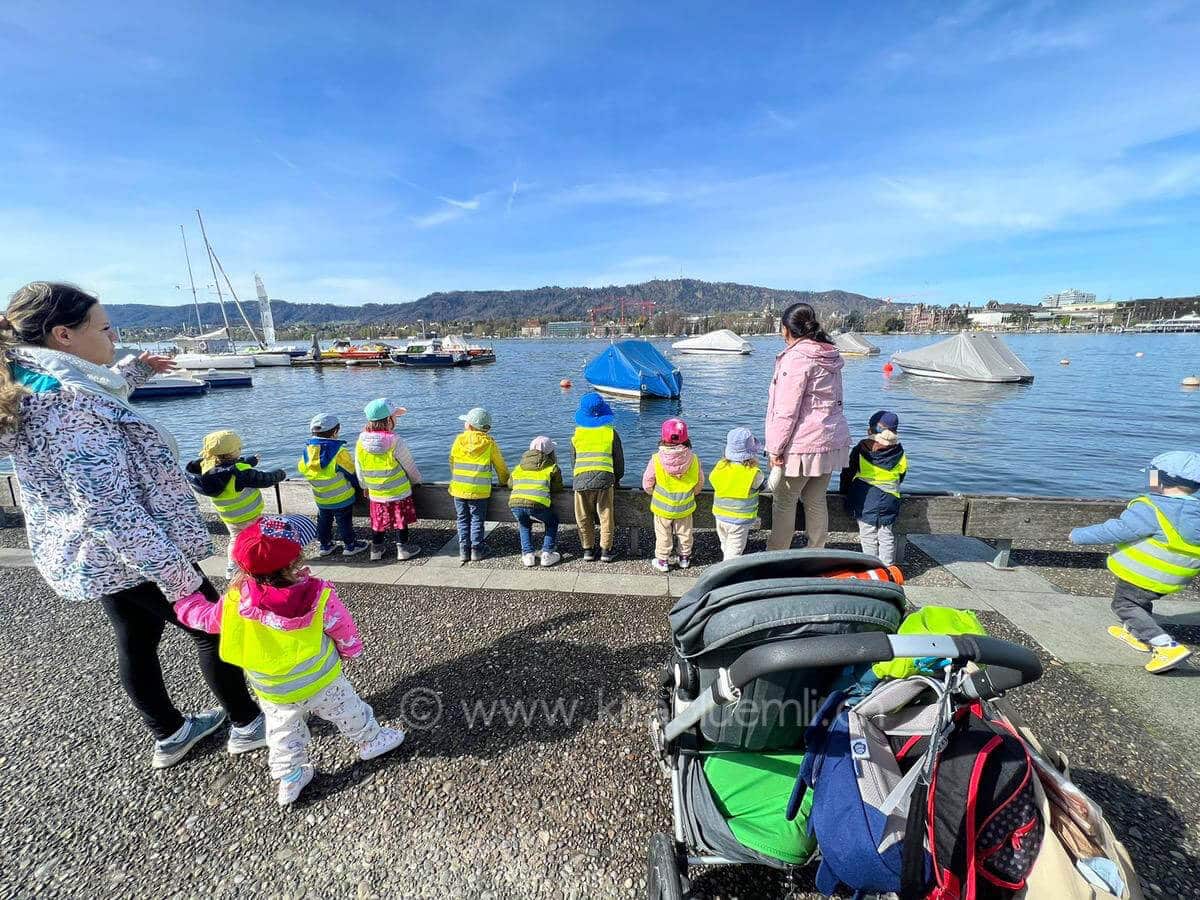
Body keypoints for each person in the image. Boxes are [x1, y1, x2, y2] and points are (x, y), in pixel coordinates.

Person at [0, 282, 264, 768]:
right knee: (216, 630)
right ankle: (249, 724)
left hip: (89, 553)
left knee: (136, 637)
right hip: (135, 550)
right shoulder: (66, 405)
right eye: (103, 328)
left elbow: (96, 392)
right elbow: (110, 510)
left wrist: (135, 370)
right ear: (64, 335)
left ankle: (170, 733)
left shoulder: (31, 380)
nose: (113, 336)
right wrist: (177, 577)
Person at [177, 515, 406, 805]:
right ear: (295, 559)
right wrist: (351, 650)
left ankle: (290, 777)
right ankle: (371, 740)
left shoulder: (237, 600)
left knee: (283, 732)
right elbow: (341, 626)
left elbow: (207, 620)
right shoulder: (318, 594)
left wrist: (186, 604)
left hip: (273, 688)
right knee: (348, 709)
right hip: (320, 677)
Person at [1070, 451, 1200, 674]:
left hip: (1145, 573)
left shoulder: (1151, 507)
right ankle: (1136, 633)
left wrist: (1078, 536)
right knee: (1139, 601)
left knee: (1125, 605)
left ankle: (1165, 646)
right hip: (1177, 576)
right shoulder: (1195, 511)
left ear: (1158, 479)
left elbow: (1117, 530)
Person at [764, 302, 851, 551]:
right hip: (830, 438)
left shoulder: (796, 359)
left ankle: (776, 556)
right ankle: (817, 553)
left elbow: (785, 410)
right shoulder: (829, 355)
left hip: (803, 443)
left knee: (784, 499)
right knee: (815, 498)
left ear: (785, 329)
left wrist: (775, 448)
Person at [185, 430, 287, 577]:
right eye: (238, 449)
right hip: (249, 513)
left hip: (229, 516)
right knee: (256, 538)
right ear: (229, 453)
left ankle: (232, 568)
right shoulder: (240, 472)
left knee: (235, 538)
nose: (240, 450)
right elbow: (264, 479)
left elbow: (229, 467)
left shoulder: (207, 469)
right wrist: (280, 473)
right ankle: (257, 563)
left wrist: (251, 460)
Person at [354, 398, 423, 562]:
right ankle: (403, 549)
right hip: (398, 490)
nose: (396, 419)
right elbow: (408, 464)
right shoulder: (395, 440)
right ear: (388, 420)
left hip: (376, 491)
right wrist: (416, 480)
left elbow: (359, 467)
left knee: (378, 522)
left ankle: (376, 550)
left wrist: (364, 485)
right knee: (400, 521)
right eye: (395, 416)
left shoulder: (361, 441)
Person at [298, 412, 369, 558]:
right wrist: (360, 486)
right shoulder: (339, 451)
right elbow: (351, 472)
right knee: (344, 522)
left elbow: (302, 468)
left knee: (324, 521)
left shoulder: (307, 451)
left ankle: (325, 545)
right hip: (342, 496)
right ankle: (350, 546)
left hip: (321, 497)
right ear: (335, 431)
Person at [841, 411, 907, 565]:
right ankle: (888, 568)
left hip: (865, 497)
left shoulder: (862, 448)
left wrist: (844, 491)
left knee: (868, 533)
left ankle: (871, 567)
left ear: (870, 430)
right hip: (890, 498)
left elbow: (848, 472)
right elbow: (902, 474)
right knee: (886, 533)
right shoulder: (899, 451)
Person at [448, 406, 508, 563]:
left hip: (459, 488)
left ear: (468, 425)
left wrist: (456, 478)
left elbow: (452, 462)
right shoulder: (489, 443)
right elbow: (500, 466)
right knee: (477, 519)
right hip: (480, 491)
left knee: (462, 519)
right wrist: (504, 482)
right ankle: (476, 550)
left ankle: (463, 550)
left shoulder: (458, 440)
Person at [571, 391, 625, 562]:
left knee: (583, 516)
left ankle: (587, 549)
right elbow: (619, 461)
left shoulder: (576, 435)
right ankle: (605, 551)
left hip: (580, 480)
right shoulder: (611, 433)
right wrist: (617, 478)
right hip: (605, 479)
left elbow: (574, 461)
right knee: (606, 515)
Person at [643, 418, 703, 572]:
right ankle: (684, 558)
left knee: (663, 534)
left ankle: (663, 560)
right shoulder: (694, 459)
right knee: (685, 533)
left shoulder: (656, 459)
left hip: (662, 507)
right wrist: (692, 494)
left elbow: (647, 483)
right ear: (686, 438)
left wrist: (653, 493)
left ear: (663, 437)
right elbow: (699, 483)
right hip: (685, 505)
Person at [709, 427, 765, 561]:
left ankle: (725, 564)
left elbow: (712, 479)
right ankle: (727, 575)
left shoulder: (720, 466)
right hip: (739, 520)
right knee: (734, 552)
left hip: (720, 515)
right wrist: (777, 470)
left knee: (726, 544)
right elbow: (766, 486)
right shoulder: (753, 473)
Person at [508, 435, 564, 567]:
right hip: (538, 504)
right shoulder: (552, 467)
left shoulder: (519, 467)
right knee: (552, 521)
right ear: (551, 453)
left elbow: (510, 484)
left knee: (524, 524)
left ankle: (528, 555)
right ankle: (547, 553)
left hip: (515, 504)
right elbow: (557, 488)